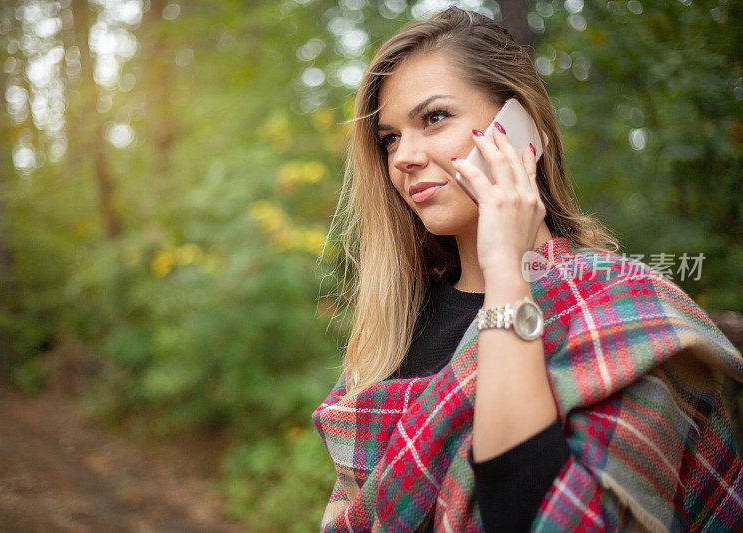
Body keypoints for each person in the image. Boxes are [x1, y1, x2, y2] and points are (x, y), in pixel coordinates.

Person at [312, 6, 743, 532]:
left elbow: (533, 515)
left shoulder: (621, 309)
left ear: (520, 128)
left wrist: (506, 274)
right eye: (390, 138)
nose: (403, 155)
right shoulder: (396, 323)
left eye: (434, 118)